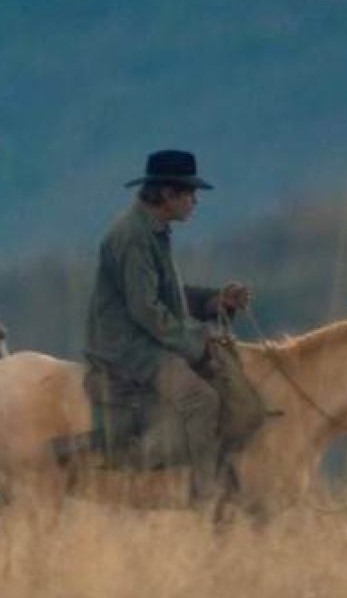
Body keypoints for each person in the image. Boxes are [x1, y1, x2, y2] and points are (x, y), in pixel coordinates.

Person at [84, 149, 253, 503]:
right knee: (201, 399)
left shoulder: (152, 231)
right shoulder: (133, 237)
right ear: (167, 195)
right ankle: (208, 495)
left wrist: (214, 301)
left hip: (145, 338)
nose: (194, 201)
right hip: (128, 347)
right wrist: (195, 343)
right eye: (189, 193)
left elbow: (168, 296)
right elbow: (145, 310)